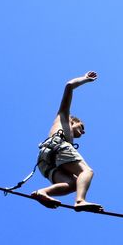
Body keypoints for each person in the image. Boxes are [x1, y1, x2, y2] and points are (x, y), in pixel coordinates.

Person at [30, 71, 102, 212]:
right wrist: (85, 79)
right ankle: (80, 200)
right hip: (57, 147)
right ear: (73, 121)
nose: (84, 131)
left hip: (44, 160)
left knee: (72, 183)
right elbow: (69, 86)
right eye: (81, 126)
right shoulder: (64, 116)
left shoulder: (66, 133)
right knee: (87, 171)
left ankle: (42, 193)